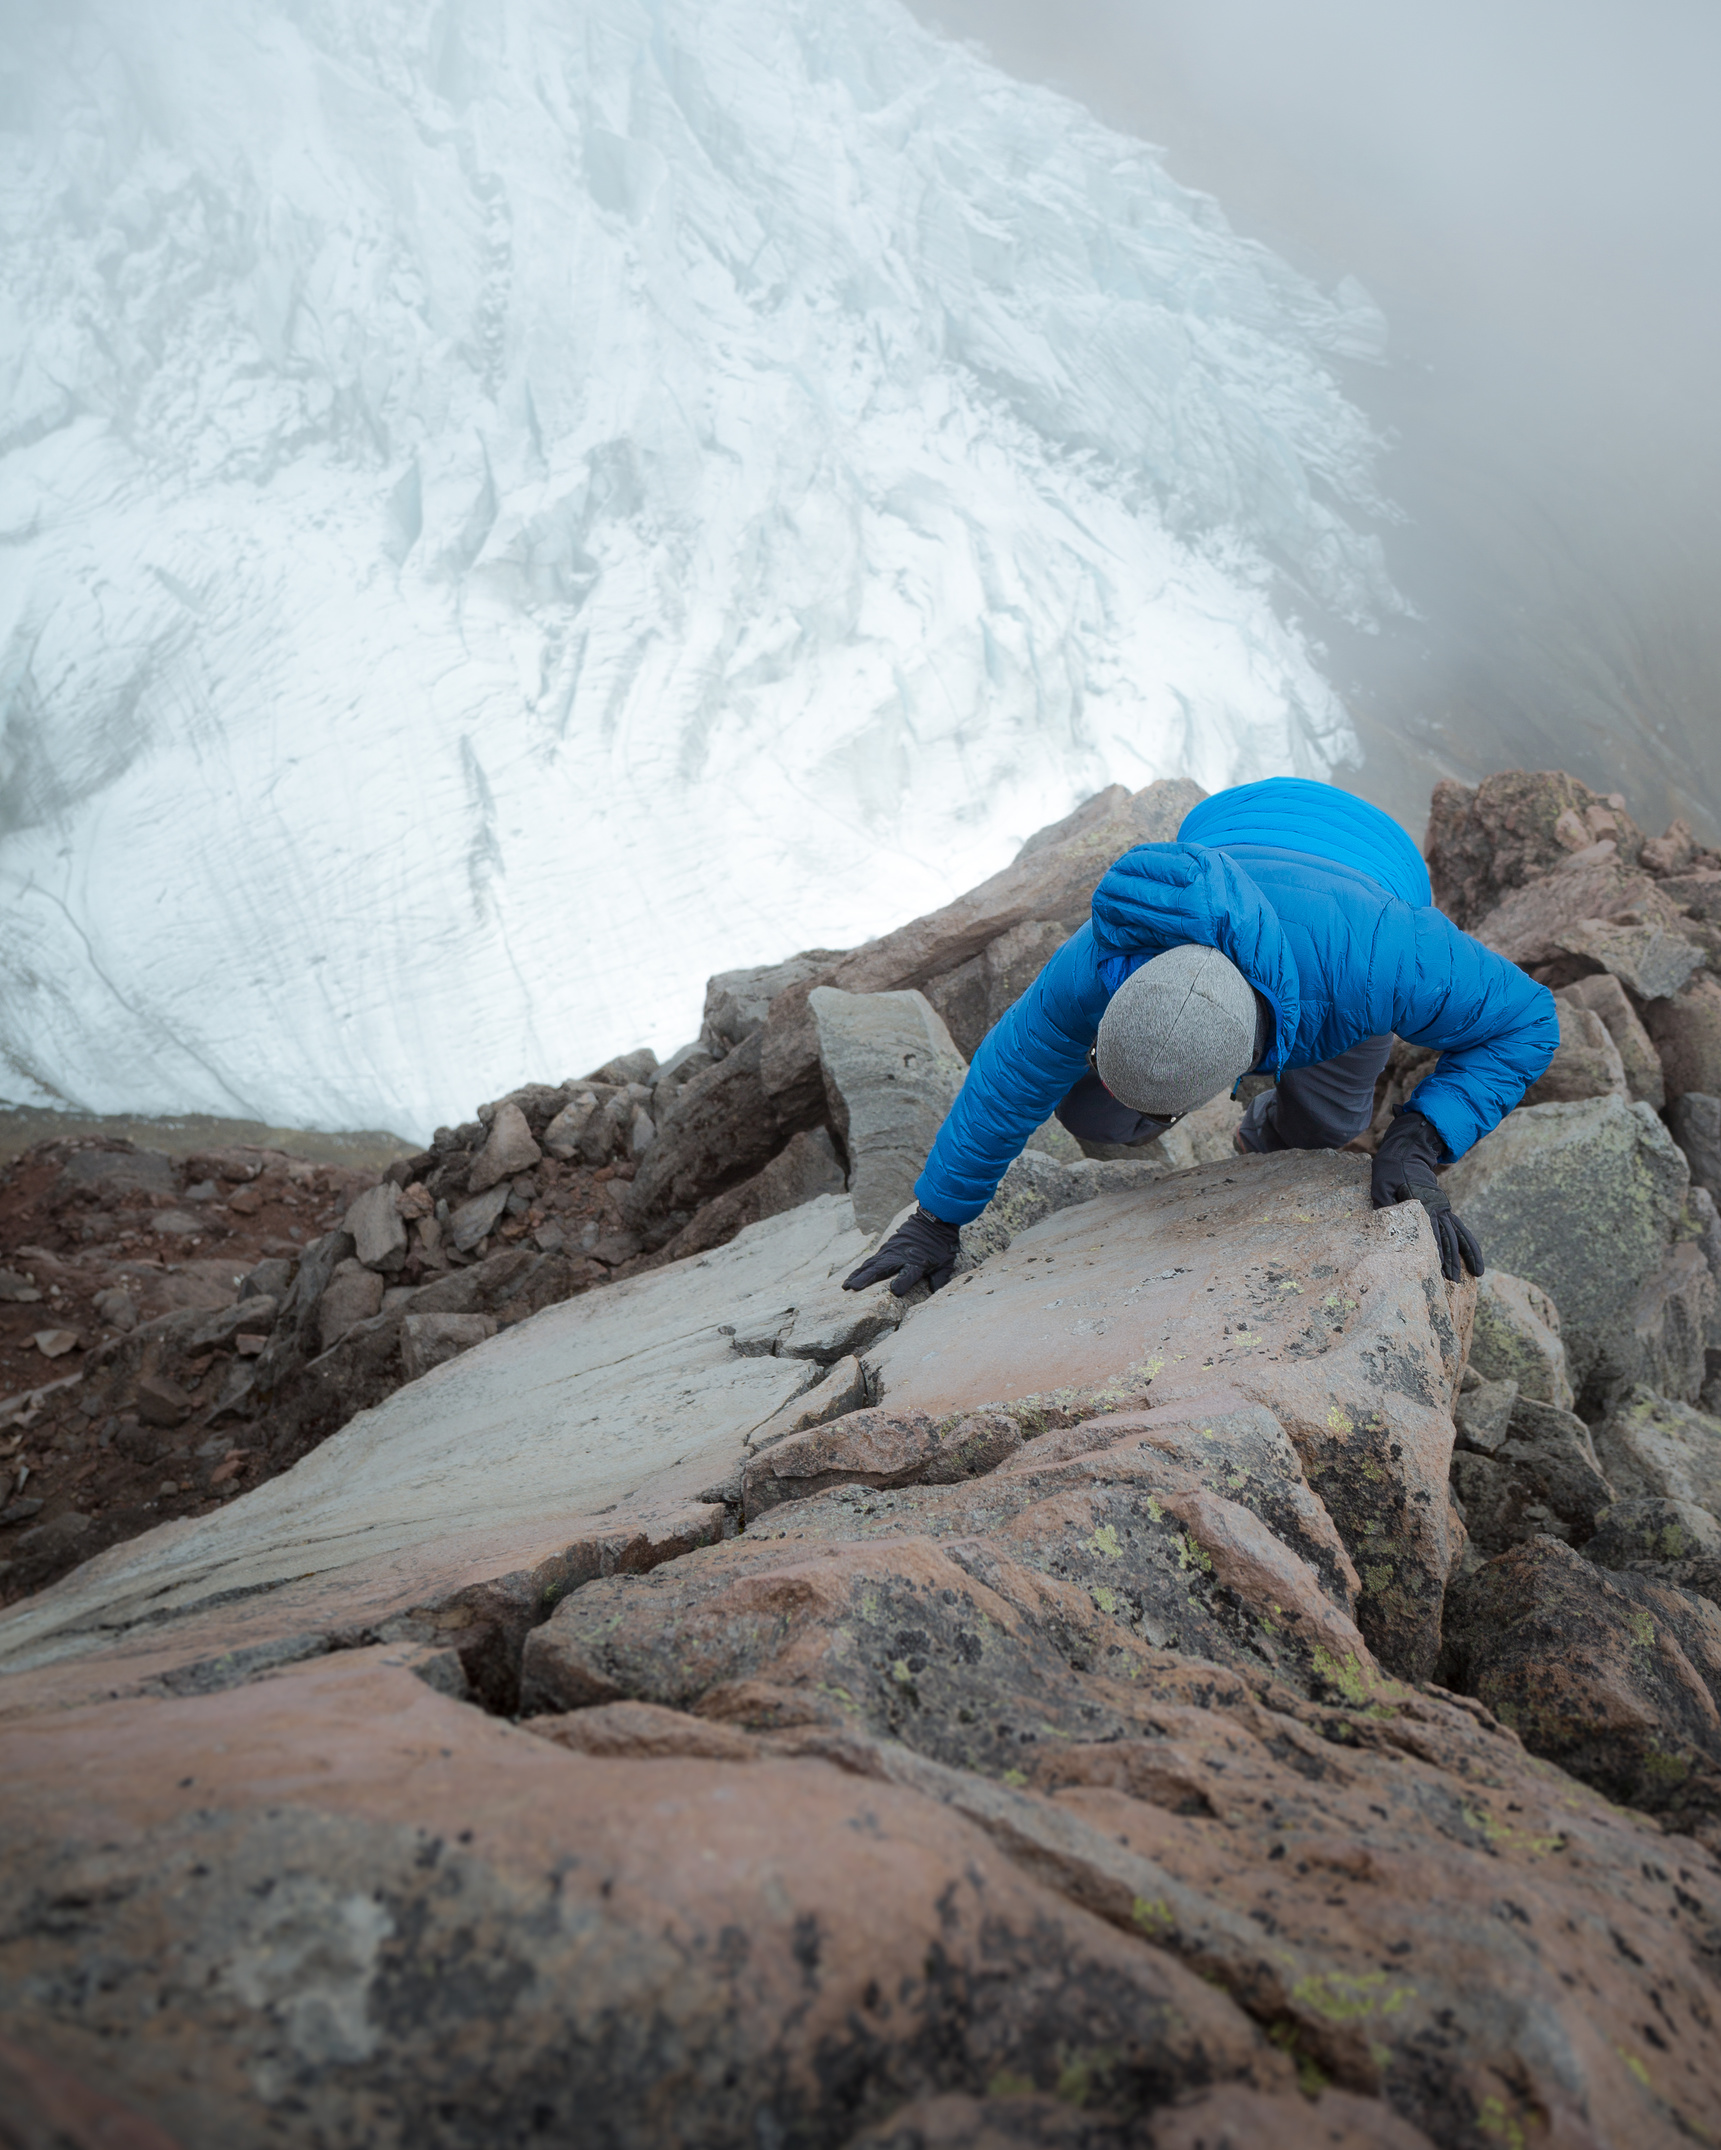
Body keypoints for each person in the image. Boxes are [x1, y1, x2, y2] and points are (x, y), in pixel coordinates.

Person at [844, 776, 1558, 1298]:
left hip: (1373, 861)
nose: (1163, 1121)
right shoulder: (1103, 958)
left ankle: (1265, 1131)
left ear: (1246, 1059)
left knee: (1330, 1122)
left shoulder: (1383, 958)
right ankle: (1150, 1095)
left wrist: (1417, 1142)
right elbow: (1010, 1076)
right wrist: (936, 1217)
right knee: (1091, 1112)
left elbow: (1526, 1020)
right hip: (1237, 816)